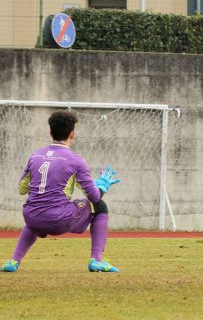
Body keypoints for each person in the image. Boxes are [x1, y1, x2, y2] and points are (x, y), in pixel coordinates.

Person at [0, 110, 122, 272]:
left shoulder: (35, 156)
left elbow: (22, 189)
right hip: (58, 220)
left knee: (37, 210)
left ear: (50, 132)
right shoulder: (76, 160)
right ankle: (97, 260)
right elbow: (93, 196)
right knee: (101, 206)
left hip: (31, 217)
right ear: (72, 134)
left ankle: (13, 262)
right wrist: (101, 186)